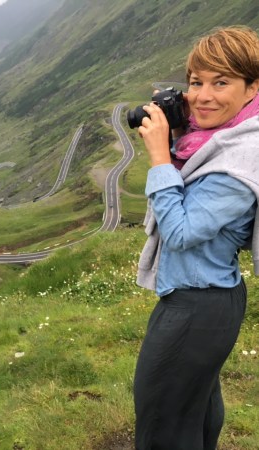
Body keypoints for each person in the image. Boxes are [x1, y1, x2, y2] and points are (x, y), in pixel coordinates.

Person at [133, 26, 259, 449]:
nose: (203, 96)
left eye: (221, 83)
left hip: (198, 304)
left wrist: (158, 157)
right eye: (196, 82)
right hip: (205, 298)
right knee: (194, 407)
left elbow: (181, 232)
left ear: (252, 88)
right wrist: (174, 141)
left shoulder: (241, 159)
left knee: (161, 422)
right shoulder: (216, 141)